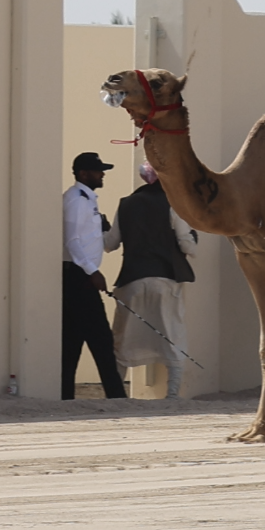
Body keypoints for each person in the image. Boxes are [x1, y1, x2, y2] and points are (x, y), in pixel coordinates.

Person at [113, 163, 195, 400]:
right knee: (173, 335)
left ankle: (117, 393)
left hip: (131, 280)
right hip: (165, 279)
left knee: (123, 339)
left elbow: (110, 243)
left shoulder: (125, 204)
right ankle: (171, 395)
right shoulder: (173, 204)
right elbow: (186, 243)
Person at [59, 151, 124, 399]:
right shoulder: (76, 199)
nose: (102, 174)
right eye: (98, 170)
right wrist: (92, 272)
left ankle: (66, 396)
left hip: (81, 276)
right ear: (84, 173)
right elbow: (73, 241)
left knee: (73, 342)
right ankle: (116, 396)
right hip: (79, 277)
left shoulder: (87, 199)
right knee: (101, 340)